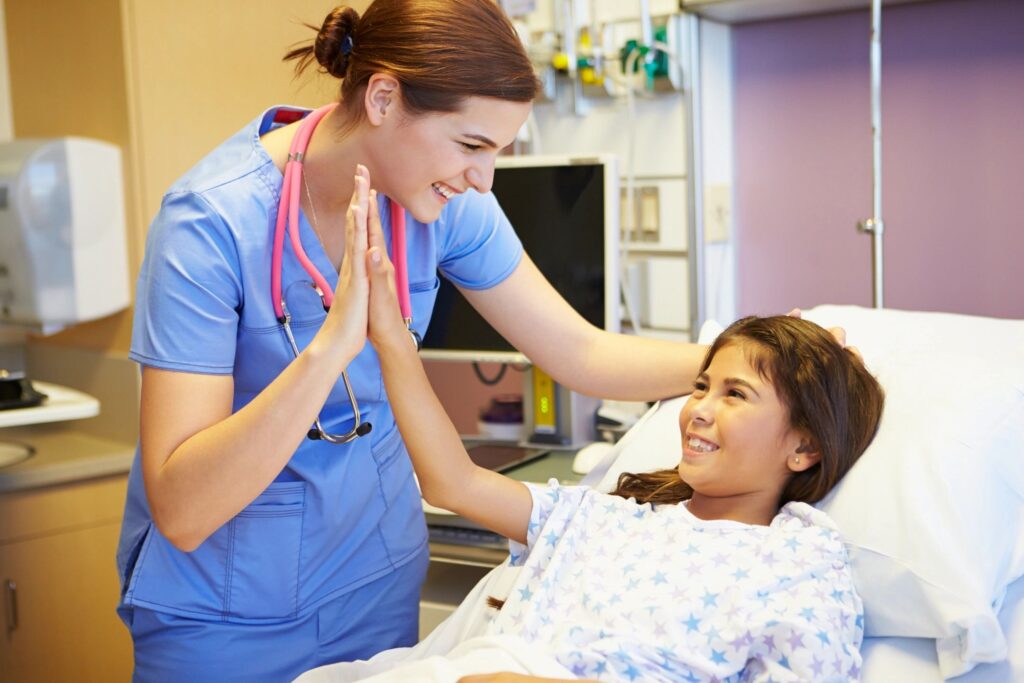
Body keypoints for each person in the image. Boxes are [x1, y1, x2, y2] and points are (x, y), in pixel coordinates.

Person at [115, 1, 711, 681]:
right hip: (221, 616)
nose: (484, 178)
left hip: (373, 584)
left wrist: (745, 355)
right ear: (384, 97)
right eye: (471, 145)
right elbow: (184, 509)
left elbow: (579, 352)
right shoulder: (209, 224)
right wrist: (331, 347)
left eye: (498, 150)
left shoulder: (446, 205)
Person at [334, 230, 886, 682]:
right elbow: (452, 484)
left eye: (734, 394)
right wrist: (390, 338)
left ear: (805, 446)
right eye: (700, 386)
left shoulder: (799, 561)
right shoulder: (605, 518)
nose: (698, 409)